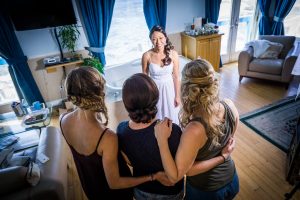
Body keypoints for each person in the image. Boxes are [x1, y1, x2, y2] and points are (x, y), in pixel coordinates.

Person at [60, 67, 167, 200]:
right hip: (115, 195)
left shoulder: (63, 120)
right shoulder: (106, 137)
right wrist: (153, 177)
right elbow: (115, 183)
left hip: (90, 188)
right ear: (99, 93)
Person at [154, 59, 240, 200]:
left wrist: (162, 140)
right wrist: (224, 155)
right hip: (232, 180)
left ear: (187, 89)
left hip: (208, 191)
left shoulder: (194, 130)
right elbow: (230, 142)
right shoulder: (230, 105)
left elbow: (183, 173)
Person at [117, 73, 184, 199]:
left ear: (127, 104)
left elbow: (129, 161)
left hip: (142, 190)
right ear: (155, 98)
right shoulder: (173, 130)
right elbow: (179, 168)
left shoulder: (121, 130)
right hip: (170, 193)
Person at [142, 25, 180, 124]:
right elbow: (145, 80)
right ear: (151, 40)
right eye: (154, 39)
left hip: (169, 89)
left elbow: (176, 77)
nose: (158, 42)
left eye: (161, 38)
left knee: (171, 116)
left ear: (165, 38)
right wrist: (147, 99)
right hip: (155, 90)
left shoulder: (174, 54)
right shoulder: (146, 56)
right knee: (157, 117)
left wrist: (177, 96)